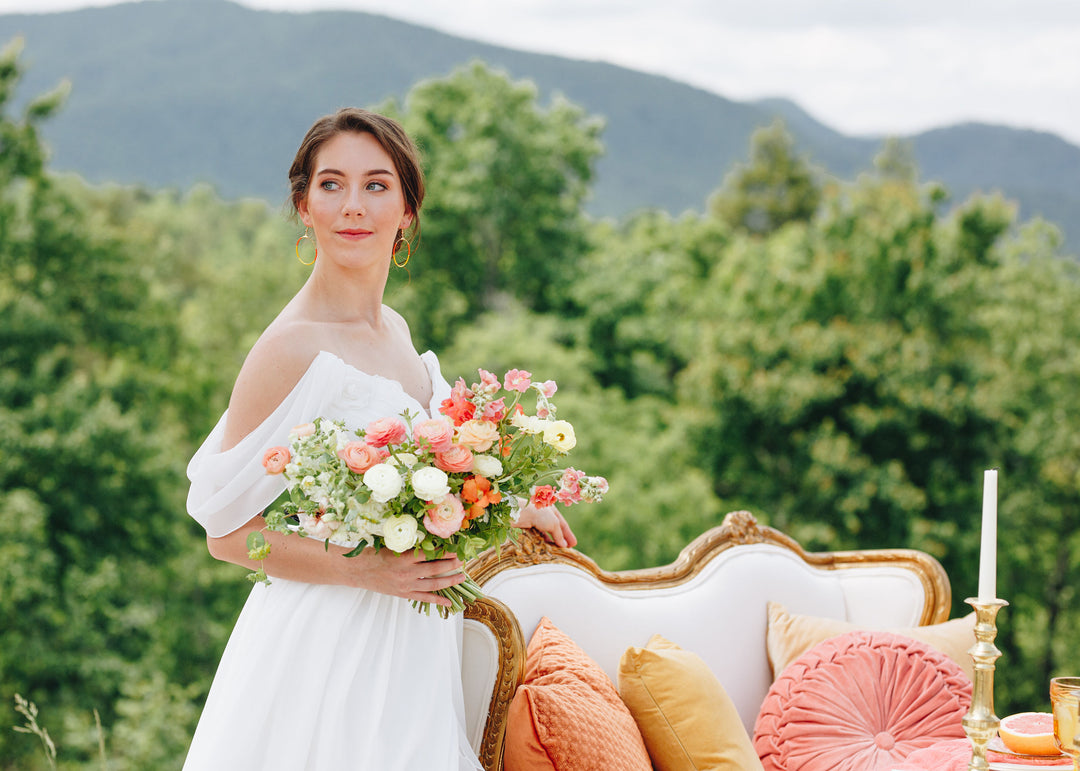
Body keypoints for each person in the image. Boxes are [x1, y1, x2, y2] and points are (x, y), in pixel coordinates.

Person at [183, 108, 576, 770]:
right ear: (303, 205)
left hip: (415, 641)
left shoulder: (392, 327)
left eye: (376, 184)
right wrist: (363, 568)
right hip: (330, 647)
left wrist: (516, 501)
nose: (352, 206)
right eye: (331, 184)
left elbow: (443, 471)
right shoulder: (287, 349)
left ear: (406, 209)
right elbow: (229, 535)